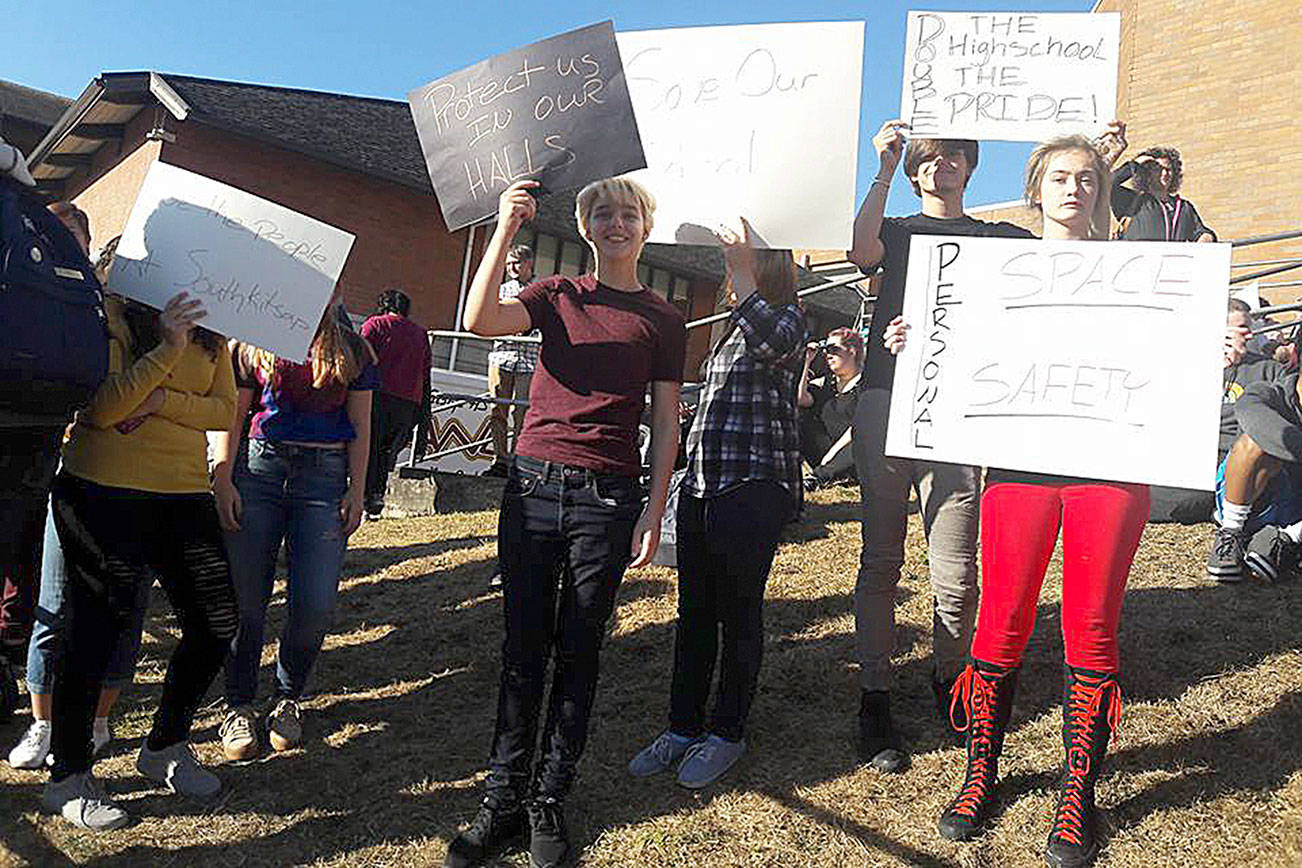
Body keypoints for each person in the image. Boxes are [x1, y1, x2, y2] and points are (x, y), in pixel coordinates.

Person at [897, 133, 1144, 867]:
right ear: (1035, 190)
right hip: (1022, 464)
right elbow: (954, 348)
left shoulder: (1142, 271)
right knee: (1001, 618)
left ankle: (1078, 790)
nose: (1074, 189)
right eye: (1060, 177)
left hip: (1111, 465)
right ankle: (981, 772)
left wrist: (1208, 352)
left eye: (1088, 179)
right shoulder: (997, 268)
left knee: (1092, 624)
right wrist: (915, 339)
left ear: (1103, 191)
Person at [444, 177, 685, 868]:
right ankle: (501, 802)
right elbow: (481, 320)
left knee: (579, 650)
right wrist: (504, 229)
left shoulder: (663, 319)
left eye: (629, 214)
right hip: (533, 488)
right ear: (585, 227)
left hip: (606, 500)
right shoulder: (556, 296)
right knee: (523, 649)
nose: (616, 223)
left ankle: (550, 797)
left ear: (645, 226)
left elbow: (666, 422)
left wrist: (654, 504)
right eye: (603, 213)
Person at [844, 121, 1037, 773]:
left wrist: (1101, 160)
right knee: (881, 558)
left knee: (956, 567)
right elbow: (858, 248)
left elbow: (1065, 269)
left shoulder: (998, 238)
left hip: (957, 413)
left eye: (953, 155)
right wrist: (882, 162)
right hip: (886, 401)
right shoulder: (896, 231)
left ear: (971, 166)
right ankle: (874, 692)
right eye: (927, 159)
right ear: (914, 170)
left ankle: (950, 676)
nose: (940, 166)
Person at [42, 288, 238, 831]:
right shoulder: (108, 315)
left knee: (217, 623)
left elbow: (224, 409)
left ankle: (165, 746)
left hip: (183, 495)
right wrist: (167, 350)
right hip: (103, 492)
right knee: (97, 633)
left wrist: (157, 402)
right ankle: (68, 776)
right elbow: (102, 409)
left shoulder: (211, 324)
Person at [628, 220, 804, 788]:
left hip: (752, 487)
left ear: (765, 268)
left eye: (742, 268)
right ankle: (682, 725)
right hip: (706, 485)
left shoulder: (786, 320)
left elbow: (775, 344)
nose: (730, 279)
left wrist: (741, 266)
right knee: (696, 611)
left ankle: (727, 730)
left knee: (739, 611)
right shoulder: (734, 324)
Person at [214, 290, 376, 761]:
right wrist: (223, 478)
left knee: (314, 603)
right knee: (246, 600)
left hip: (324, 481)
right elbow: (234, 415)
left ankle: (288, 698)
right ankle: (239, 704)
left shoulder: (354, 347)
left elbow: (361, 425)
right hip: (259, 471)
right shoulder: (252, 342)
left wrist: (358, 489)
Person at [9, 237, 150, 772]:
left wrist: (152, 397)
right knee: (55, 603)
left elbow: (210, 400)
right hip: (81, 478)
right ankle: (44, 723)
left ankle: (95, 723)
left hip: (145, 486)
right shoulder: (83, 321)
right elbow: (96, 403)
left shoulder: (166, 331)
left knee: (124, 609)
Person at [0, 194, 94, 720]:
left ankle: (13, 651)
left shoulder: (83, 296)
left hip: (42, 438)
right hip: (21, 431)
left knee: (27, 550)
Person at [1207, 365, 1302, 585]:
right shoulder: (1264, 393)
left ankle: (1286, 538)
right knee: (1255, 443)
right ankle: (1230, 532)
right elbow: (1258, 421)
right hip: (1254, 492)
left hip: (1294, 512)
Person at [359, 289, 432, 519]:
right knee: (387, 451)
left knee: (369, 448)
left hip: (377, 396)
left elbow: (361, 359)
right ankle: (376, 495)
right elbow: (425, 372)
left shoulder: (374, 325)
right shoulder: (420, 334)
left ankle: (366, 495)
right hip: (408, 402)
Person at [483, 245, 538, 478]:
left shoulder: (538, 291)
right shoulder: (501, 290)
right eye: (508, 264)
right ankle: (500, 459)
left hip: (528, 360)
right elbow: (487, 321)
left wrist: (527, 329)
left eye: (515, 263)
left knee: (522, 413)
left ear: (528, 263)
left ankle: (518, 461)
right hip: (501, 357)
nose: (511, 268)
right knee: (498, 409)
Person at [797, 327, 863, 490]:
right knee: (798, 416)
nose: (828, 354)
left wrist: (830, 458)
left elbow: (855, 431)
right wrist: (806, 361)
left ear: (852, 351)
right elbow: (800, 399)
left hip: (853, 456)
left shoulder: (866, 386)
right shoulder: (826, 384)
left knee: (863, 436)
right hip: (825, 458)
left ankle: (820, 477)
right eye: (825, 350)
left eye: (833, 349)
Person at [1111, 146, 1216, 243]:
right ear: (1147, 173)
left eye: (1168, 169)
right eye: (1158, 169)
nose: (1165, 173)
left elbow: (1200, 232)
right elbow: (1106, 185)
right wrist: (1134, 165)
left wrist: (1207, 236)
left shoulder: (1184, 207)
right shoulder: (1131, 201)